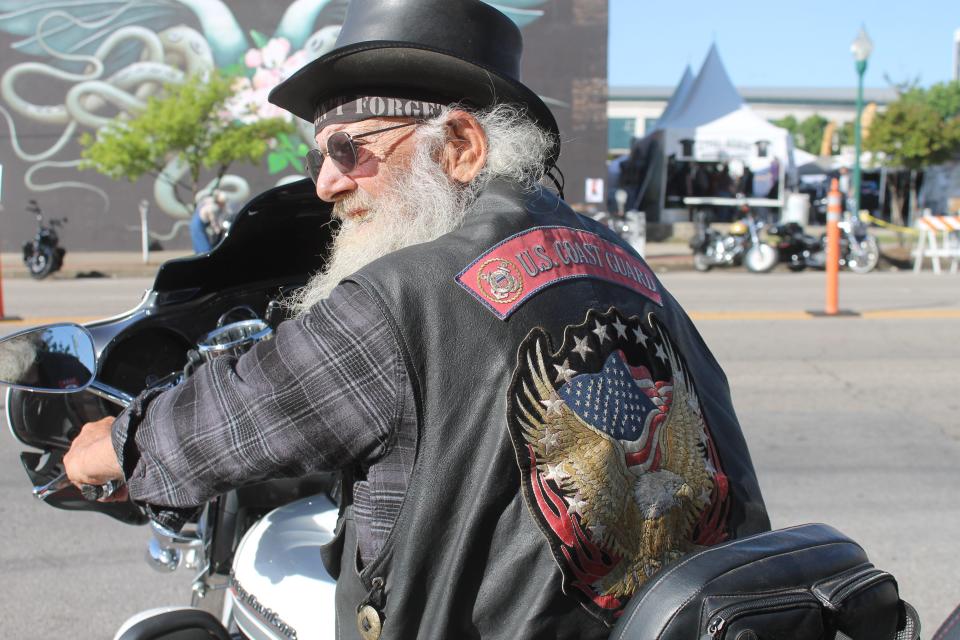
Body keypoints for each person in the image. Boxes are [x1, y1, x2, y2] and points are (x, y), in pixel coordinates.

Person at [63, 1, 770, 637]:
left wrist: (112, 445)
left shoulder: (402, 296)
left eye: (350, 149)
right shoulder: (628, 266)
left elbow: (237, 416)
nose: (324, 183)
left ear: (460, 146)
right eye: (319, 153)